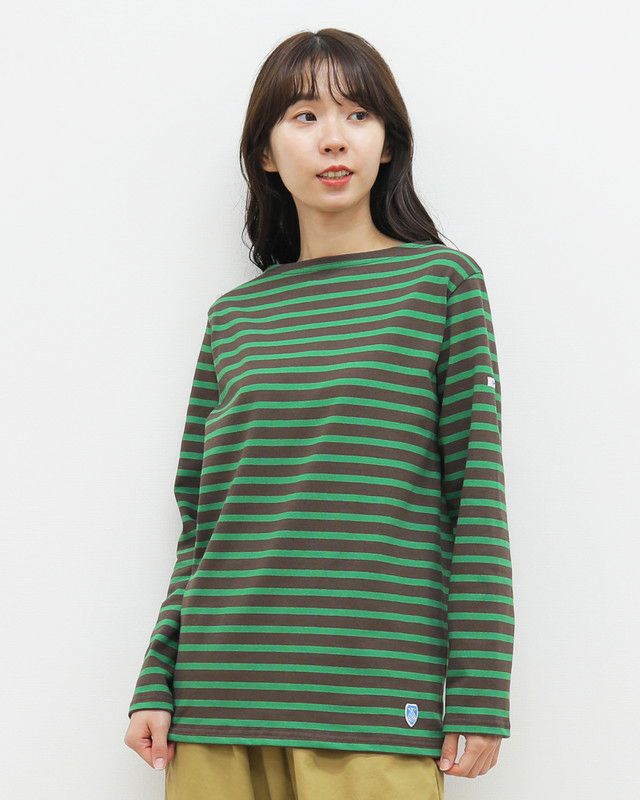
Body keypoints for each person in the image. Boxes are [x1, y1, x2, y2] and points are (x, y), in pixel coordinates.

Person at [124, 27, 515, 799]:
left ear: (388, 144)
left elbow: (475, 496)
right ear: (266, 154)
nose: (334, 139)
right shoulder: (234, 318)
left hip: (371, 705)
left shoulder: (442, 285)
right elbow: (203, 523)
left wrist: (479, 689)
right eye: (304, 116)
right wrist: (157, 675)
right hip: (216, 703)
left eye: (358, 115)